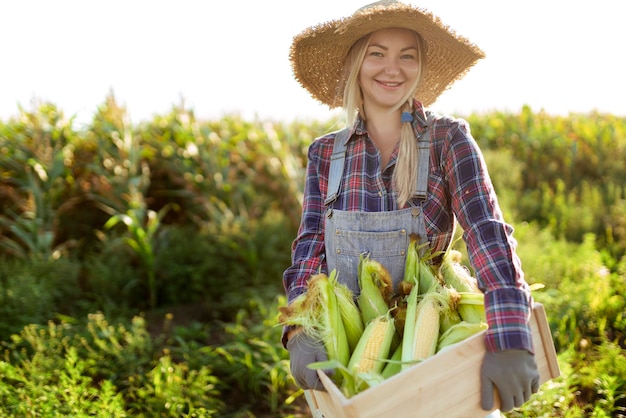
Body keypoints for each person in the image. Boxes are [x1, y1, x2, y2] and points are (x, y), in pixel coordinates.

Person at [282, 0, 540, 414]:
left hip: (434, 344)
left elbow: (486, 232)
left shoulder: (448, 139)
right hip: (350, 353)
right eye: (377, 53)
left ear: (420, 67)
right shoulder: (325, 153)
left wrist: (511, 339)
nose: (392, 68)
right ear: (355, 63)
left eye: (408, 55)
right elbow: (310, 246)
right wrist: (301, 327)